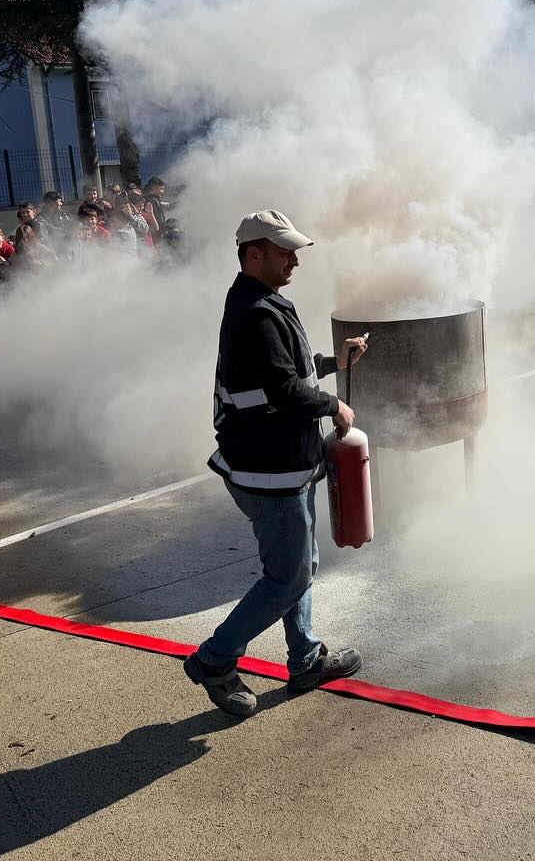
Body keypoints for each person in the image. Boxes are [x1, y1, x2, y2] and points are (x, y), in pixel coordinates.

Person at [183, 210, 368, 718]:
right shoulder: (257, 312)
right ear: (253, 253)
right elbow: (285, 391)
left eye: (295, 251)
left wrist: (335, 362)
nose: (294, 260)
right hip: (270, 474)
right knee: (287, 578)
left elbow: (288, 370)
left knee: (298, 569)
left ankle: (305, 658)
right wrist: (334, 405)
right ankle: (214, 659)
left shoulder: (260, 302)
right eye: (284, 251)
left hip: (278, 466)